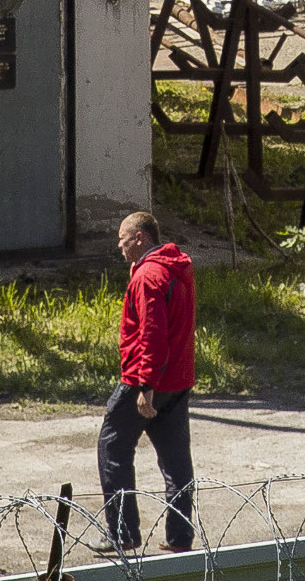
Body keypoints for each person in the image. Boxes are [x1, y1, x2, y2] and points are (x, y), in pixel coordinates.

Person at [98, 210, 196, 551]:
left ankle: (123, 533)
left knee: (113, 447)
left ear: (140, 238)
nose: (120, 248)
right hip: (179, 380)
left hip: (148, 381)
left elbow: (152, 336)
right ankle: (180, 538)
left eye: (123, 241)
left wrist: (145, 386)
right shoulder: (177, 267)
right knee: (176, 461)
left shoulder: (148, 277)